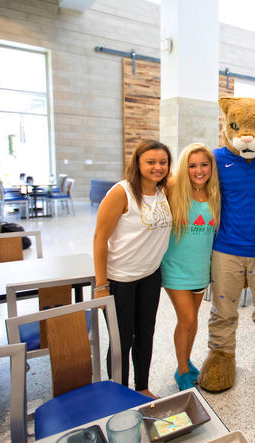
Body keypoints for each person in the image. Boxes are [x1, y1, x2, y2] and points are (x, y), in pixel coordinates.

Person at [93, 140, 172, 398]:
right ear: (137, 163)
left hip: (150, 276)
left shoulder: (164, 190)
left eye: (163, 162)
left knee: (145, 335)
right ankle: (118, 394)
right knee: (122, 340)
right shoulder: (122, 192)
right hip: (120, 279)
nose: (157, 167)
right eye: (150, 162)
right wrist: (101, 285)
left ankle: (142, 388)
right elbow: (99, 238)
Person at [161, 143, 220, 391]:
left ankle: (185, 360)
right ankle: (182, 370)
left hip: (200, 270)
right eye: (192, 165)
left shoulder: (216, 194)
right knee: (186, 319)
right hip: (174, 268)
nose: (199, 170)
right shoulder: (173, 190)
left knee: (192, 320)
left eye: (204, 164)